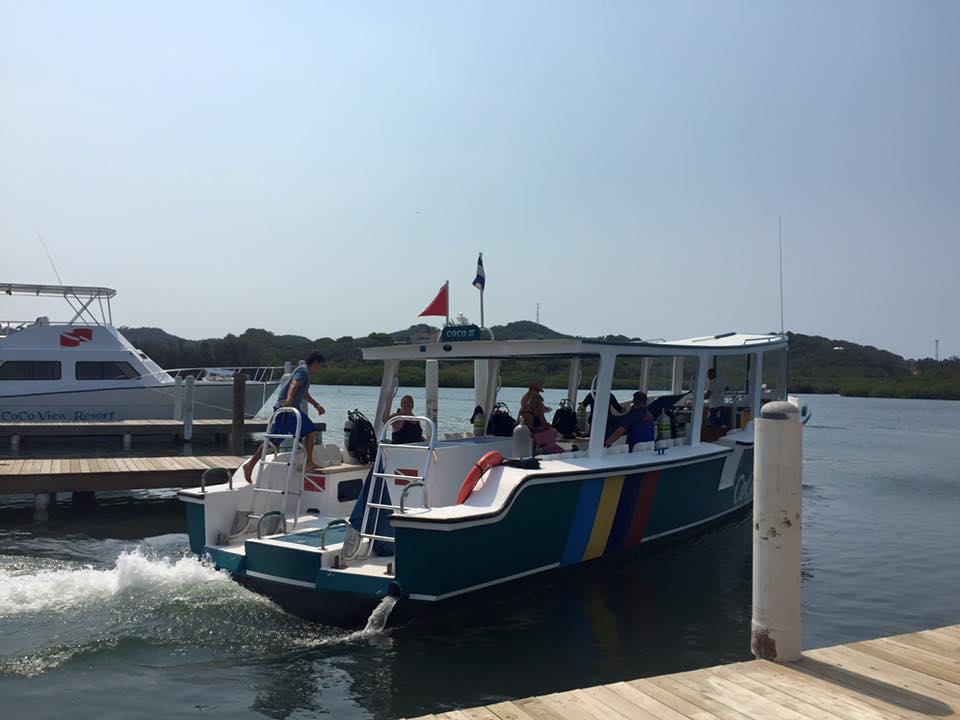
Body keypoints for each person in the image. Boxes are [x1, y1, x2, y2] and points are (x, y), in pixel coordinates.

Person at [242, 352, 326, 483]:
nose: (320, 369)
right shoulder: (303, 372)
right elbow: (294, 383)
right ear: (315, 362)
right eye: (320, 366)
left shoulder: (305, 373)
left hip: (292, 411)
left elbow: (303, 392)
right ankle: (250, 465)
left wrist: (316, 405)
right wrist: (289, 399)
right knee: (273, 441)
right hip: (287, 411)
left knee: (309, 432)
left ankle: (309, 462)